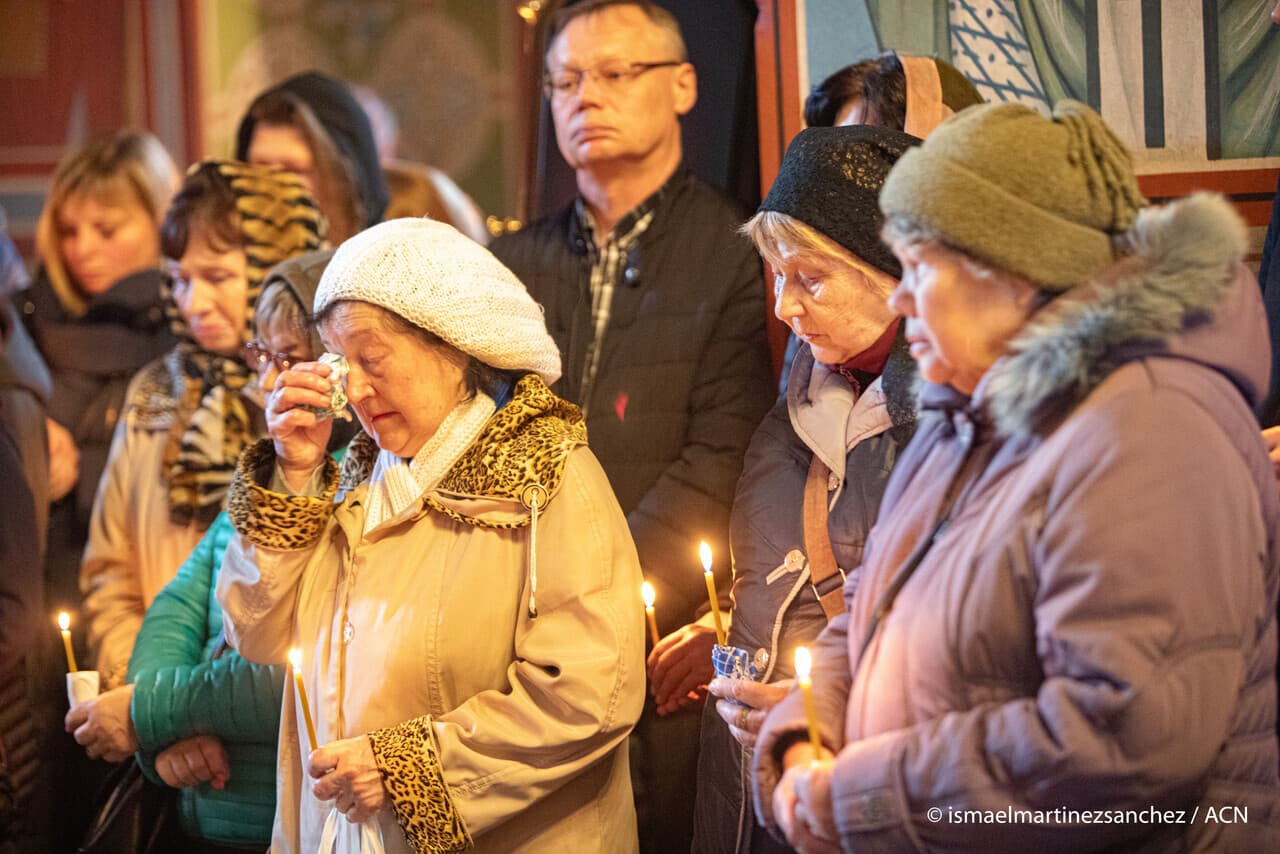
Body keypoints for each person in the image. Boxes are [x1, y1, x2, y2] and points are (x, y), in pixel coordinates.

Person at [755, 101, 1280, 852]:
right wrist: (805, 735)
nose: (900, 300)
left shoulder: (1152, 429)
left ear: (1011, 274)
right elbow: (874, 605)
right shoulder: (963, 410)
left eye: (919, 269)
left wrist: (863, 794)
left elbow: (1123, 741)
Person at [216, 218, 645, 853]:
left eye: (372, 359)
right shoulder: (353, 481)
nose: (353, 390)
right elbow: (254, 633)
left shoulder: (545, 478)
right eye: (340, 363)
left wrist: (404, 769)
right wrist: (294, 477)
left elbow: (589, 694)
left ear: (451, 344)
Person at [489, 4, 774, 846]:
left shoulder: (737, 252)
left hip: (657, 643)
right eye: (567, 80)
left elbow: (722, 456)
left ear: (683, 85)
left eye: (616, 74)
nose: (587, 98)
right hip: (519, 642)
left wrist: (589, 602)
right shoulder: (508, 266)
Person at [679, 125, 919, 854]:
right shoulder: (788, 412)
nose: (783, 307)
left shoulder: (960, 425)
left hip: (873, 793)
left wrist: (824, 707)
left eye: (809, 278)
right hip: (760, 795)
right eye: (775, 277)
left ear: (893, 274)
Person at [63, 267, 353, 853]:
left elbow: (301, 673)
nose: (267, 379)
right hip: (201, 814)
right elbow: (178, 602)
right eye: (262, 355)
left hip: (283, 822)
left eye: (290, 358)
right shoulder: (268, 473)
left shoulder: (359, 481)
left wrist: (150, 711)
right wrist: (165, 743)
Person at [77, 160, 325, 690]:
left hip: (275, 701)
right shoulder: (156, 391)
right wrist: (145, 693)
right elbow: (110, 572)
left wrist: (208, 707)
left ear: (270, 267)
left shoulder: (310, 399)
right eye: (179, 281)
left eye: (217, 277)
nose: (194, 304)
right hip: (154, 689)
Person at [23, 130, 179, 611]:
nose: (82, 249)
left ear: (162, 221)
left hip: (149, 584)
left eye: (106, 230)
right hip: (36, 584)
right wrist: (25, 433)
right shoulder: (22, 324)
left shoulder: (190, 334)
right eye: (68, 231)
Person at [236, 71, 390, 244]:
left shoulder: (398, 266)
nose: (268, 186)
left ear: (345, 184)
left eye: (292, 170)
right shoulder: (228, 265)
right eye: (258, 168)